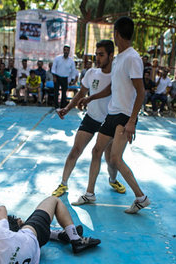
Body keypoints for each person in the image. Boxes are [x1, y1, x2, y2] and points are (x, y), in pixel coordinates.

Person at [73, 17, 150, 214]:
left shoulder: (132, 58)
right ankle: (89, 193)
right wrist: (91, 98)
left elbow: (141, 92)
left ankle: (141, 197)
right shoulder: (118, 59)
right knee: (97, 151)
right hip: (113, 113)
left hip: (125, 116)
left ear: (117, 33)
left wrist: (132, 121)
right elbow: (111, 89)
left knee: (115, 159)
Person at [52, 40, 125, 199]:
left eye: (101, 55)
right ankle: (63, 183)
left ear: (111, 56)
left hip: (109, 122)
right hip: (91, 118)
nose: (97, 58)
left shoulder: (117, 75)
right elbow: (80, 94)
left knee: (110, 159)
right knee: (75, 150)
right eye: (96, 54)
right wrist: (67, 108)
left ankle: (113, 180)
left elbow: (108, 91)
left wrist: (89, 98)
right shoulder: (91, 73)